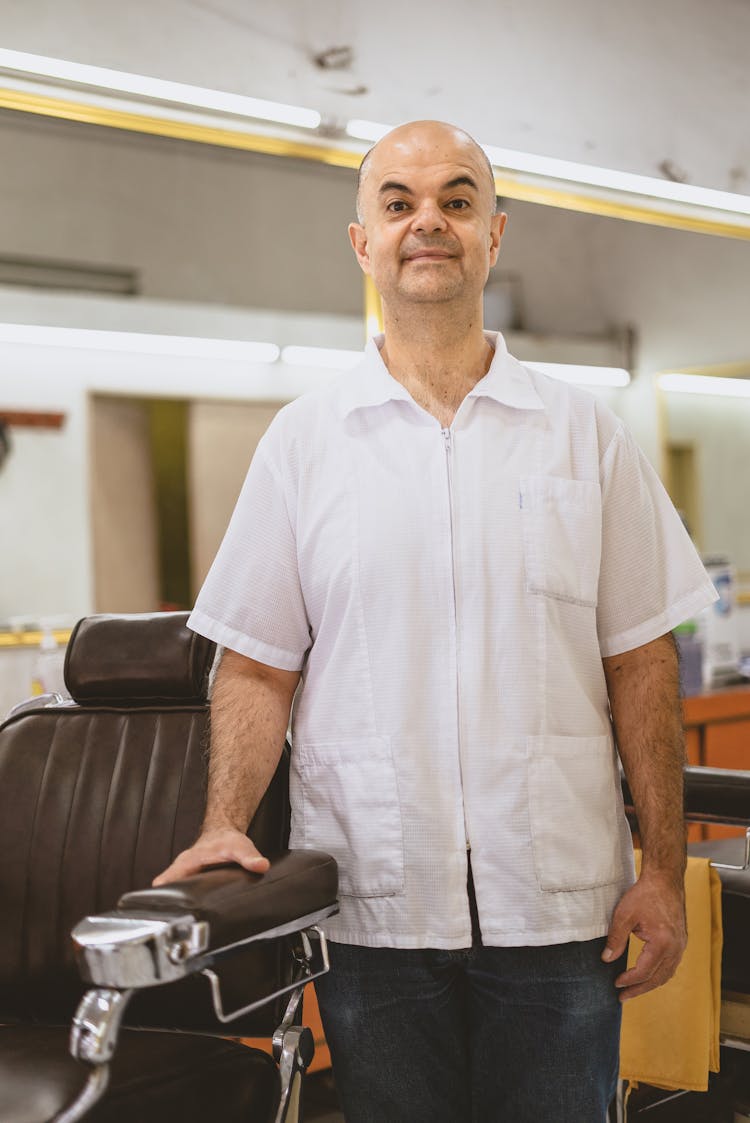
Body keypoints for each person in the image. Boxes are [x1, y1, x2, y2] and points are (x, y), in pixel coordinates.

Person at [154, 120, 718, 1121]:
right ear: (362, 241)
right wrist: (222, 825)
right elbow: (256, 666)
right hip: (373, 909)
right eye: (400, 203)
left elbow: (642, 661)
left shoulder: (583, 434)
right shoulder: (306, 445)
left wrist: (662, 870)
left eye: (457, 201)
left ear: (494, 237)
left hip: (560, 910)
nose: (430, 223)